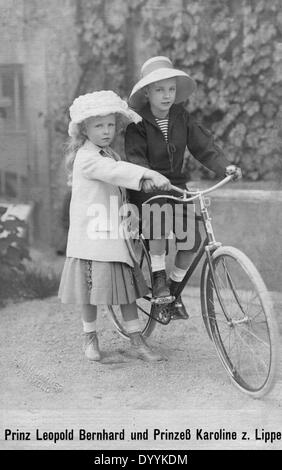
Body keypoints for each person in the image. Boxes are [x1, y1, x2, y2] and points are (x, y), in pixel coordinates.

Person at [58, 90, 172, 363]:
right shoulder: (87, 158)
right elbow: (113, 173)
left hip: (112, 232)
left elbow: (119, 183)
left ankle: (135, 340)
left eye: (111, 124)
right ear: (85, 129)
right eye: (98, 126)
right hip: (92, 236)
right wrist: (147, 173)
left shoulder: (110, 153)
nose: (106, 131)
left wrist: (139, 191)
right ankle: (90, 338)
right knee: (90, 291)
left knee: (125, 290)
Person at [125, 56, 242, 320]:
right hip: (146, 183)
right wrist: (148, 175)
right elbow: (134, 158)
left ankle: (173, 291)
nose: (167, 96)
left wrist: (226, 167)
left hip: (175, 184)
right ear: (147, 92)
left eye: (171, 89)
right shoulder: (137, 123)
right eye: (159, 90)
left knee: (192, 239)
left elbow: (204, 147)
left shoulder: (181, 117)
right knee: (157, 217)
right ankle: (158, 278)